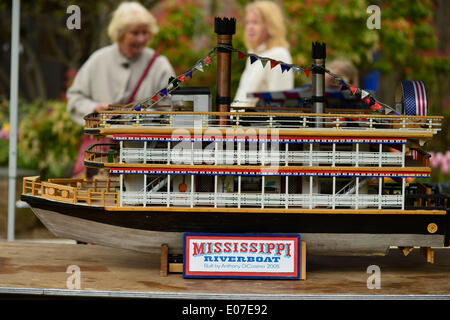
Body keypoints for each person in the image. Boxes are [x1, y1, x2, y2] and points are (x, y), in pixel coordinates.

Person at [67, 1, 175, 178]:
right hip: (99, 150)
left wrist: (140, 118)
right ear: (120, 33)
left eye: (145, 33)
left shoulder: (160, 65)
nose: (141, 39)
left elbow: (171, 110)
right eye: (135, 33)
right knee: (90, 196)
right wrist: (94, 109)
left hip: (142, 155)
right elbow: (75, 97)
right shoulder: (98, 60)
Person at [232, 1, 294, 107]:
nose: (250, 27)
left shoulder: (279, 55)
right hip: (237, 121)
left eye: (255, 22)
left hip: (257, 123)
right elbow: (242, 100)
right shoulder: (253, 54)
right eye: (248, 22)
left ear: (271, 26)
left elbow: (278, 106)